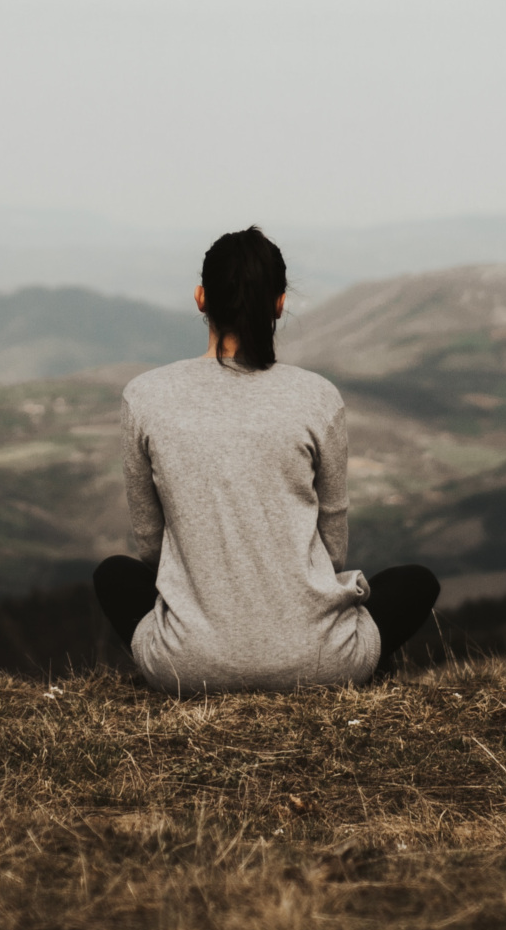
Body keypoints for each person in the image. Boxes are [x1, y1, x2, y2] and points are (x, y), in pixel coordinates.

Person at [94, 226, 440, 692]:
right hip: (321, 662)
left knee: (114, 575)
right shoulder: (318, 396)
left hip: (188, 667)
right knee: (415, 582)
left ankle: (204, 653)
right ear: (279, 304)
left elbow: (150, 545)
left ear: (201, 298)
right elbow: (333, 546)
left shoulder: (144, 396)